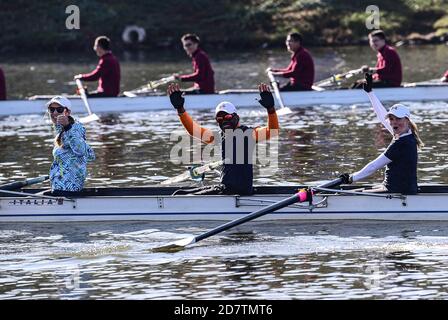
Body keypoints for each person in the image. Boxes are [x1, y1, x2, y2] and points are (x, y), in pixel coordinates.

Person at [167, 82, 279, 195]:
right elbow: (194, 131)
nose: (224, 121)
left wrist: (271, 109)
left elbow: (272, 131)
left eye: (227, 117)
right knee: (179, 193)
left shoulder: (249, 134)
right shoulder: (221, 136)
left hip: (238, 191)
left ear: (237, 117)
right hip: (225, 189)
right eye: (220, 119)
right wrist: (180, 109)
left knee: (184, 196)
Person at [340, 73, 423, 195]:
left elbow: (374, 166)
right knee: (350, 192)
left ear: (407, 120)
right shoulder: (406, 134)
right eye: (391, 119)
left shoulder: (401, 143)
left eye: (398, 119)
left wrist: (351, 178)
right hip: (399, 189)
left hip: (398, 193)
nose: (394, 123)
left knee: (346, 193)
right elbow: (382, 116)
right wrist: (370, 93)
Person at [46, 96, 95, 194]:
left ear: (67, 112)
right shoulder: (60, 130)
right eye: (52, 109)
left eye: (59, 109)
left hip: (68, 190)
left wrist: (68, 126)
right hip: (60, 187)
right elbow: (90, 155)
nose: (54, 113)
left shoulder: (75, 127)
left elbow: (81, 151)